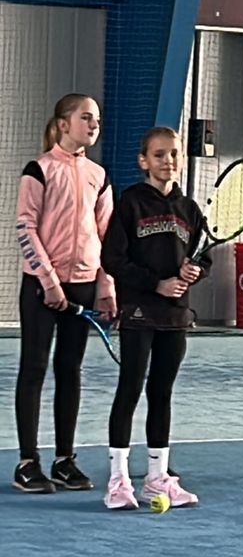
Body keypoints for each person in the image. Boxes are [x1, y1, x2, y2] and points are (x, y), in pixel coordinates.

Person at [100, 127, 210, 510]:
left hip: (175, 316)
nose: (168, 162)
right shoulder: (130, 203)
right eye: (159, 155)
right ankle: (118, 480)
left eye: (174, 154)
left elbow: (202, 255)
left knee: (161, 393)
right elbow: (112, 259)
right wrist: (155, 284)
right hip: (138, 312)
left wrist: (195, 271)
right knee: (129, 389)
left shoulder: (189, 209)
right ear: (143, 161)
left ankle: (157, 478)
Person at [13, 93, 116, 494]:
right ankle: (27, 462)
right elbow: (25, 227)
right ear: (62, 124)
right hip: (42, 287)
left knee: (70, 370)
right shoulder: (37, 170)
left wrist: (105, 286)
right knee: (34, 367)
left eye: (97, 120)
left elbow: (106, 237)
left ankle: (64, 460)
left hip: (85, 286)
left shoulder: (100, 176)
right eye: (85, 118)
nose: (93, 125)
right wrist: (49, 282)